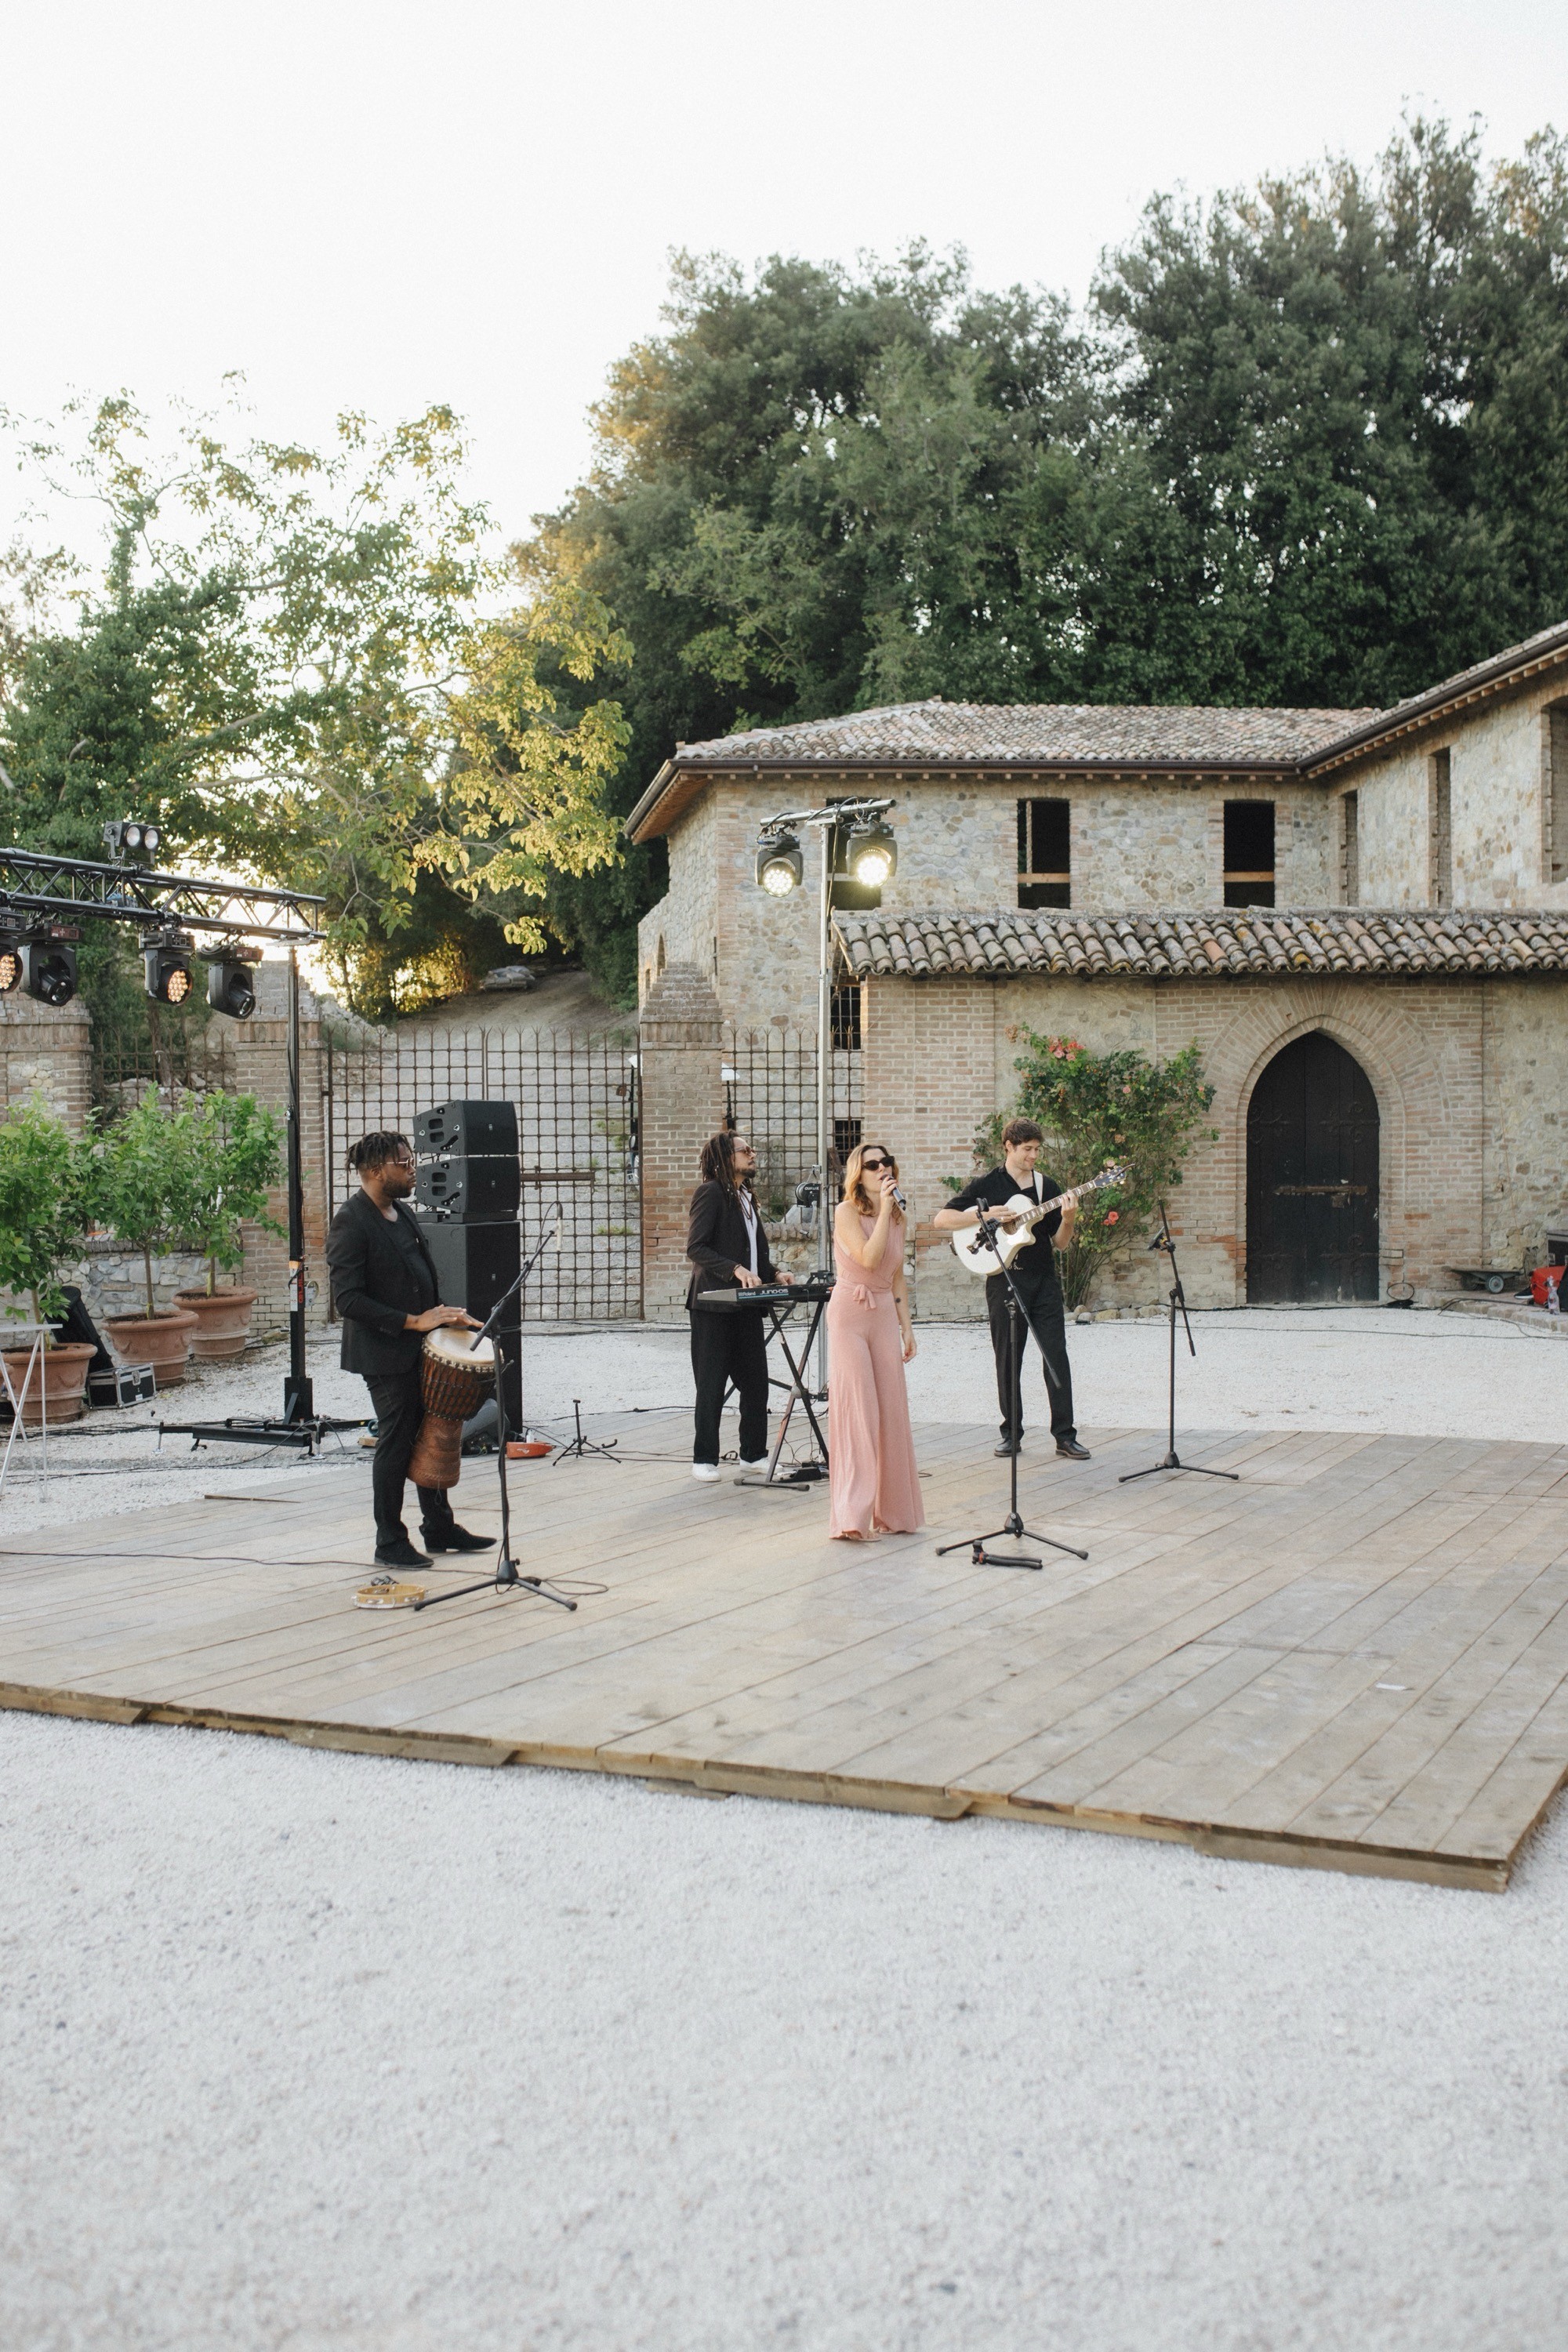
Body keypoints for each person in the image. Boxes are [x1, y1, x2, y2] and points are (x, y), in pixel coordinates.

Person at [325, 1131, 493, 1569]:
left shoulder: (400, 1212)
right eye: (404, 1162)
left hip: (419, 1348)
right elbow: (347, 1299)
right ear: (377, 1169)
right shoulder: (352, 1220)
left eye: (411, 1160)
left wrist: (440, 1317)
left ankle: (438, 1527)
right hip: (383, 1353)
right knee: (397, 1440)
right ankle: (389, 1541)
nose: (413, 1168)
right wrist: (413, 1322)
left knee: (432, 1431)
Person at [932, 1117, 1091, 1462]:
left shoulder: (1047, 1187)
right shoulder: (987, 1184)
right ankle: (1011, 1433)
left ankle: (1065, 1435)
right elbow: (941, 1220)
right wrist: (983, 1214)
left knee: (1056, 1357)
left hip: (1044, 1280)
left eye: (1037, 1149)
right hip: (1004, 1281)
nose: (1033, 1156)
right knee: (1008, 1360)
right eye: (1027, 1150)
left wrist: (1069, 1219)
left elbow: (1060, 1244)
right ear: (1009, 1146)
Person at [826, 1142, 924, 1541]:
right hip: (850, 1311)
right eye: (872, 1165)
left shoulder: (897, 1217)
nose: (881, 1169)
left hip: (884, 1311)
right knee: (859, 1412)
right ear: (858, 1174)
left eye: (887, 1163)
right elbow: (868, 1258)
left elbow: (895, 1273)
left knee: (891, 1413)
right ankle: (852, 1516)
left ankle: (895, 1512)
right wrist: (884, 1212)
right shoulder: (845, 1212)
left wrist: (907, 1327)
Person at [685, 1130, 790, 1481]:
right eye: (746, 1150)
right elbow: (697, 1248)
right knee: (711, 1385)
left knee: (756, 1383)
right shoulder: (710, 1193)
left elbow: (754, 1252)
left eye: (753, 1149)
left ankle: (753, 1454)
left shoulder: (746, 1197)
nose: (753, 1154)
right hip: (713, 1306)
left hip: (746, 1306)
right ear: (726, 1157)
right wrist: (734, 1270)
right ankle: (704, 1460)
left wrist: (775, 1272)